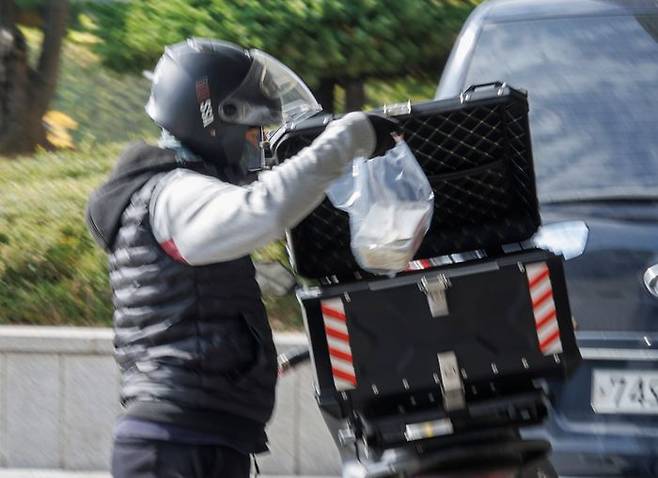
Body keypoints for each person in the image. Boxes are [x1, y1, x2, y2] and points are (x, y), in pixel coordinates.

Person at [85, 38, 398, 478]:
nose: (259, 144)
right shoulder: (174, 192)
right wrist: (349, 138)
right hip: (178, 447)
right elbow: (262, 211)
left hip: (201, 440)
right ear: (216, 117)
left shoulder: (180, 190)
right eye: (254, 131)